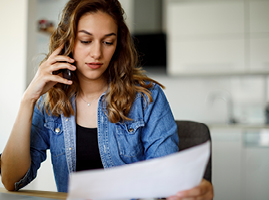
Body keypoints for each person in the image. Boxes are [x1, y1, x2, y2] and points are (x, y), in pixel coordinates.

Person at [0, 0, 213, 199]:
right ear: (67, 43)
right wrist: (28, 99)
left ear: (117, 45)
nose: (97, 53)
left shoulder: (147, 98)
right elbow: (11, 181)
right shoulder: (50, 104)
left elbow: (166, 183)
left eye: (108, 42)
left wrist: (196, 189)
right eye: (85, 40)